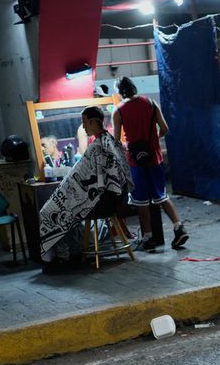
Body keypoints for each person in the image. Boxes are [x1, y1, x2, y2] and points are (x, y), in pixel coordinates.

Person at [37, 106, 133, 271]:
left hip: (105, 204)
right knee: (62, 207)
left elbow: (81, 176)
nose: (83, 127)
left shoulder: (98, 146)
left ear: (94, 122)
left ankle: (61, 256)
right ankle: (68, 252)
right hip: (117, 199)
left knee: (48, 212)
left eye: (84, 123)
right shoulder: (110, 141)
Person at [112, 76, 189, 250]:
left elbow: (116, 140)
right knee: (161, 196)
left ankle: (148, 237)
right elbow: (165, 128)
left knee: (141, 202)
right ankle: (179, 227)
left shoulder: (119, 111)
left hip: (135, 162)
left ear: (119, 91)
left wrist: (128, 146)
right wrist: (153, 140)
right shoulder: (151, 103)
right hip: (155, 157)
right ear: (134, 87)